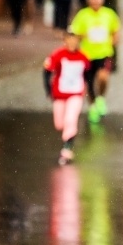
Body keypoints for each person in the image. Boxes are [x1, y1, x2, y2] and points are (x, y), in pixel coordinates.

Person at [70, 0, 121, 123]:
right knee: (89, 82)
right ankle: (92, 106)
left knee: (103, 77)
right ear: (88, 1)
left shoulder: (109, 14)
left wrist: (114, 41)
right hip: (87, 54)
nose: (95, 2)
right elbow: (75, 33)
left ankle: (101, 98)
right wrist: (83, 36)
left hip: (104, 52)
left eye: (97, 0)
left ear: (102, 1)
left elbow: (116, 31)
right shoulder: (82, 15)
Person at [43, 28, 90, 165]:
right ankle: (67, 138)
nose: (72, 42)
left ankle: (67, 149)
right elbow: (46, 71)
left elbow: (88, 75)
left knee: (71, 119)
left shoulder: (83, 57)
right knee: (59, 123)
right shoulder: (58, 55)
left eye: (75, 39)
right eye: (69, 39)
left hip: (76, 94)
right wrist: (48, 90)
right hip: (60, 94)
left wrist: (89, 93)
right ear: (64, 40)